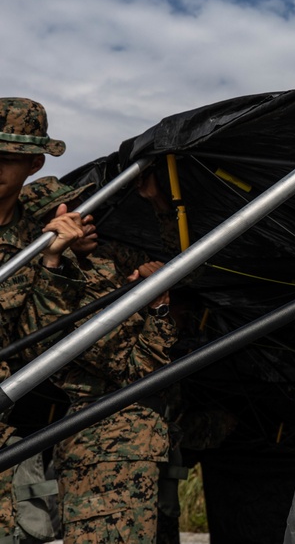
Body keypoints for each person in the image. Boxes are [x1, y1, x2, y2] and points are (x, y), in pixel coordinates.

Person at [18, 176, 177, 544]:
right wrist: (159, 307)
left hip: (131, 445)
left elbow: (187, 266)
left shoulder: (105, 261)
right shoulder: (56, 292)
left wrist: (160, 206)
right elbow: (138, 369)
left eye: (88, 213)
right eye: (75, 218)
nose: (89, 221)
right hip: (105, 450)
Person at [0, 97, 89, 540]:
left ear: (33, 162)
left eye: (7, 158)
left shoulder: (34, 238)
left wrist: (52, 261)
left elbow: (38, 348)